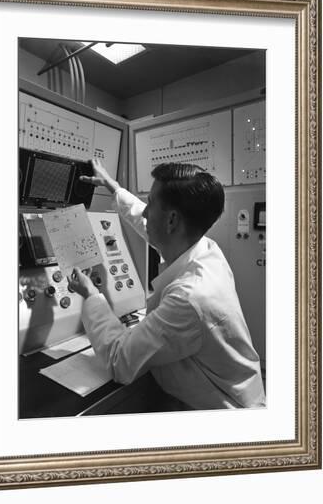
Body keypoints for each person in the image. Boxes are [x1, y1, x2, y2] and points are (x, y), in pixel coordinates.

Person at [68, 159, 265, 410]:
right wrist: (114, 187)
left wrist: (91, 294)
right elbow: (147, 222)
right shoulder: (206, 249)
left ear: (172, 220)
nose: (145, 211)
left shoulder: (191, 297)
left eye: (150, 203)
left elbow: (120, 361)